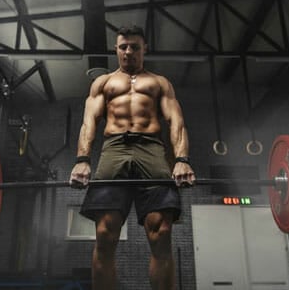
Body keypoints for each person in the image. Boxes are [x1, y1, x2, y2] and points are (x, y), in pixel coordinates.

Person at [69, 25, 195, 290]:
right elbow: (88, 122)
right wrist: (83, 159)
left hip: (152, 148)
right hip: (114, 147)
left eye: (134, 46)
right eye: (123, 46)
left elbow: (176, 122)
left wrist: (182, 159)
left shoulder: (159, 83)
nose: (128, 51)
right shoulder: (102, 83)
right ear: (116, 49)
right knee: (105, 233)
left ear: (144, 49)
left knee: (161, 233)